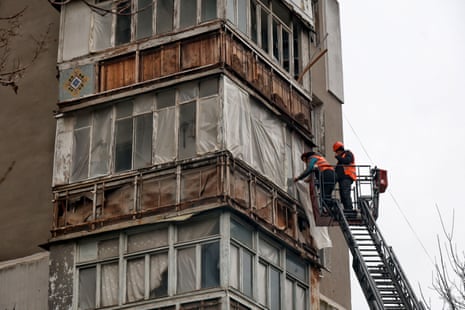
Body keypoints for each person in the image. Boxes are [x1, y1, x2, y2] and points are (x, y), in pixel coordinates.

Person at [333, 141, 356, 210]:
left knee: (345, 194)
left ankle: (349, 209)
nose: (336, 154)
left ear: (339, 150)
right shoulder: (341, 158)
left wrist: (338, 157)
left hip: (347, 177)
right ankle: (346, 209)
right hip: (342, 179)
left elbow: (347, 161)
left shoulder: (348, 154)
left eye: (336, 152)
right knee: (342, 195)